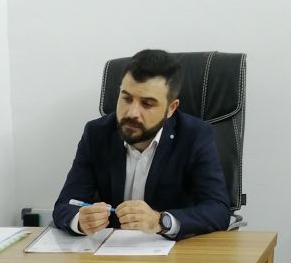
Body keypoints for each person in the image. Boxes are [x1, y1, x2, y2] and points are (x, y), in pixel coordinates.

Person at [52, 48, 230, 241]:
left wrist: (160, 221)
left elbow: (218, 210)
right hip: (110, 251)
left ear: (171, 108)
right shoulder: (97, 133)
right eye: (126, 98)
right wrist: (80, 221)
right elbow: (66, 204)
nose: (131, 113)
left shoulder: (195, 136)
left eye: (147, 104)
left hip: (172, 252)